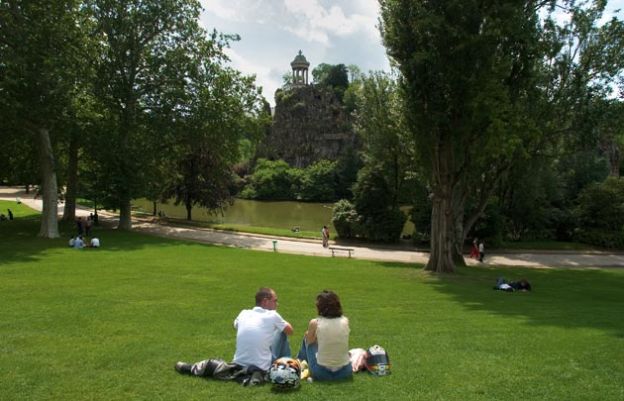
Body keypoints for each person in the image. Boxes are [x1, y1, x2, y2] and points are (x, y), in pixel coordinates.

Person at [175, 288, 293, 383]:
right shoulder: (273, 315)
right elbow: (290, 331)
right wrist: (277, 325)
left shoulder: (244, 313)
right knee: (281, 332)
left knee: (272, 332)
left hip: (238, 364)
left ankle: (189, 368)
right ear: (265, 301)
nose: (277, 304)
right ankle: (290, 366)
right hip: (262, 366)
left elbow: (235, 325)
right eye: (275, 301)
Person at [297, 290, 352, 381]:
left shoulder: (315, 322)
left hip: (321, 373)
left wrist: (310, 335)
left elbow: (310, 341)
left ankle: (299, 362)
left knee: (307, 337)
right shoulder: (345, 321)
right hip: (345, 372)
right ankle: (301, 362)